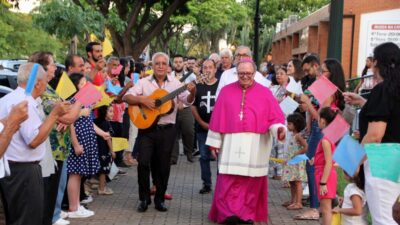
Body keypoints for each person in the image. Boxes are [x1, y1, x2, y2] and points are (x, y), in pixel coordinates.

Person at [206, 58, 286, 224]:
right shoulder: (226, 91)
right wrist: (214, 142)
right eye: (241, 73)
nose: (245, 77)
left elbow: (275, 119)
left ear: (254, 73)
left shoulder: (265, 93)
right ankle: (227, 214)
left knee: (251, 184)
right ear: (237, 73)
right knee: (228, 182)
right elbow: (217, 118)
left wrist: (279, 129)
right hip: (230, 144)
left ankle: (246, 215)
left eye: (248, 73)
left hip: (255, 146)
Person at [123, 52, 196, 212]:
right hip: (147, 129)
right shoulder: (143, 82)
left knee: (163, 166)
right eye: (158, 63)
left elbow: (187, 101)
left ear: (168, 66)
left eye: (164, 63)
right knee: (143, 163)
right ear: (153, 66)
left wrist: (193, 92)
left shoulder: (176, 84)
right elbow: (127, 97)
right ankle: (143, 198)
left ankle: (160, 199)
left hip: (167, 130)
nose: (161, 66)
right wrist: (143, 100)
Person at [0, 63, 70, 225]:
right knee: (28, 219)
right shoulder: (24, 103)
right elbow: (34, 140)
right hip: (23, 171)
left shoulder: (8, 99)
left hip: (12, 169)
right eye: (46, 80)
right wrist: (54, 114)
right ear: (37, 83)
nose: (47, 84)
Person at [344, 42, 400, 225]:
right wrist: (364, 102)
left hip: (382, 160)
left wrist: (355, 162)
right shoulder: (393, 89)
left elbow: (375, 135)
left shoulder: (382, 90)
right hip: (395, 158)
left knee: (384, 218)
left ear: (377, 63)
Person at [66, 73, 101, 218]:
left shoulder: (83, 100)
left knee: (79, 174)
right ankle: (73, 208)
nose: (85, 86)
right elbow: (70, 123)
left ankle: (77, 205)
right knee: (75, 174)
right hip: (78, 140)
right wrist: (75, 144)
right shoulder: (72, 101)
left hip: (85, 139)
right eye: (81, 83)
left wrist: (102, 133)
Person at [191, 59, 219, 194]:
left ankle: (222, 183)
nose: (208, 70)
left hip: (219, 128)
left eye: (210, 67)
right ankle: (206, 183)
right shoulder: (198, 86)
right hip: (202, 128)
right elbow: (193, 106)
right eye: (205, 68)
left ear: (215, 69)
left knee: (221, 157)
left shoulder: (221, 85)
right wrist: (201, 122)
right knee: (204, 157)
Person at [312, 107, 337, 225]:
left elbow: (328, 162)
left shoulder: (325, 140)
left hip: (324, 175)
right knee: (324, 208)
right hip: (323, 173)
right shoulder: (328, 138)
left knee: (326, 209)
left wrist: (323, 183)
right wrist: (316, 160)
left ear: (322, 121)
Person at [282, 113, 308, 210]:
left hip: (297, 162)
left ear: (295, 125)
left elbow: (306, 147)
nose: (287, 125)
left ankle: (298, 202)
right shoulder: (292, 135)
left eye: (289, 124)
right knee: (292, 181)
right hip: (291, 162)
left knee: (297, 182)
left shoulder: (298, 136)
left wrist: (297, 153)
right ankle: (293, 200)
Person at [94, 105, 115, 195]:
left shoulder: (96, 121)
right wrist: (112, 150)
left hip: (97, 148)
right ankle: (101, 188)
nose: (112, 114)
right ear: (104, 112)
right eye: (110, 111)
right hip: (103, 149)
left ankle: (100, 185)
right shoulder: (105, 124)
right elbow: (108, 138)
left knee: (101, 168)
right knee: (103, 170)